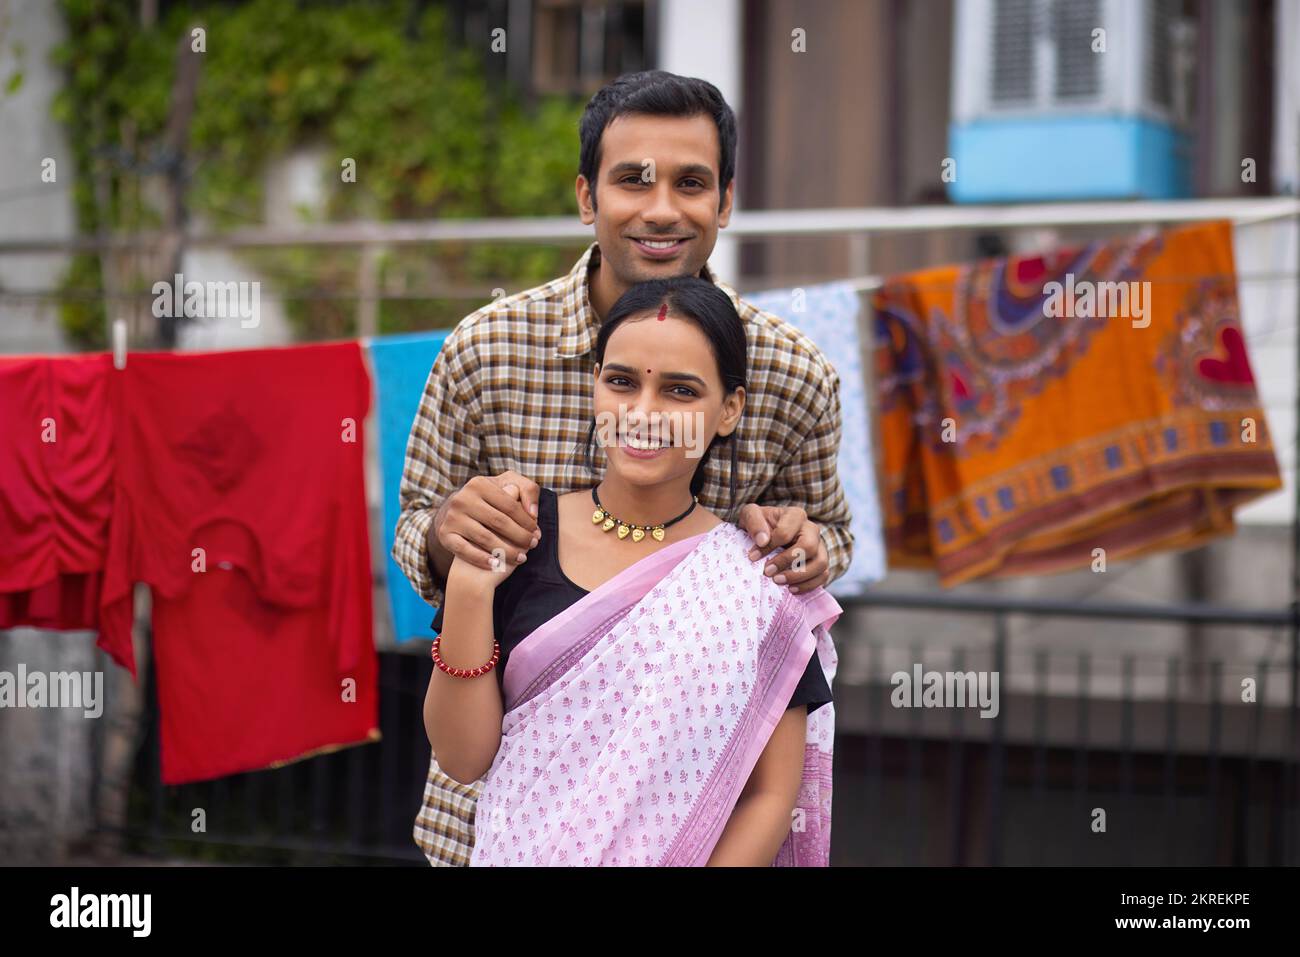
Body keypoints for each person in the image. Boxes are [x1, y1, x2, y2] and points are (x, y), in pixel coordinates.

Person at [393, 69, 854, 865]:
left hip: (688, 822)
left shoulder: (792, 372)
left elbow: (823, 547)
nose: (662, 208)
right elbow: (412, 530)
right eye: (632, 179)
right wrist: (449, 536)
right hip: (490, 819)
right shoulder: (487, 349)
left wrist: (807, 545)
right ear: (586, 196)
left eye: (692, 183)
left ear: (726, 201)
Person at [422, 277, 842, 865]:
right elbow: (463, 758)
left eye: (680, 391)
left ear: (729, 410)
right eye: (621, 381)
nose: (643, 413)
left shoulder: (756, 581)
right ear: (594, 386)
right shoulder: (519, 536)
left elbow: (769, 795)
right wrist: (468, 584)